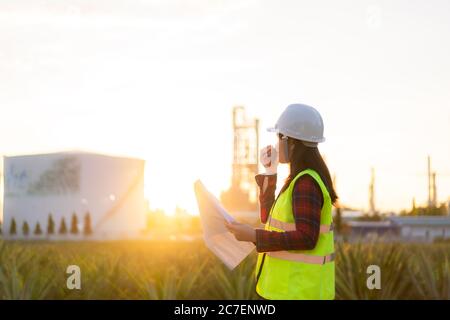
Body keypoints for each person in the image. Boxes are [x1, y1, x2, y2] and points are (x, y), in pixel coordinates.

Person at [226, 103, 338, 300]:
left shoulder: (306, 183)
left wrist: (254, 235)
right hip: (288, 291)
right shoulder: (299, 180)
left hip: (297, 293)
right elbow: (268, 219)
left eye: (279, 136)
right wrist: (271, 171)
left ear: (290, 141)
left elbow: (307, 238)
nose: (276, 143)